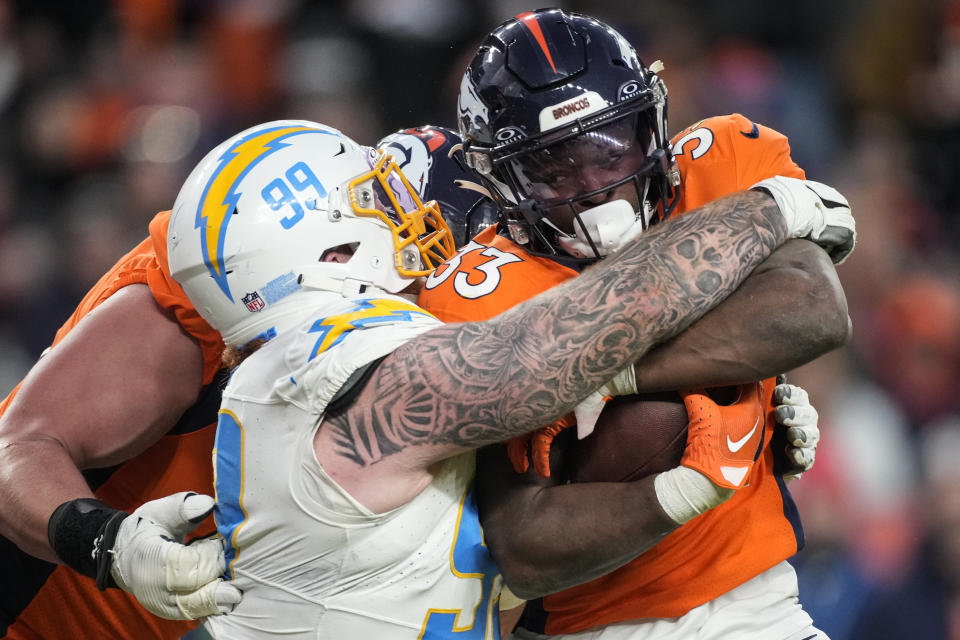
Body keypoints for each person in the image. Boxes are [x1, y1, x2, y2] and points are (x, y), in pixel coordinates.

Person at [151, 118, 848, 639]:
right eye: (371, 199)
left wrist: (752, 401)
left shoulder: (298, 374)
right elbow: (551, 349)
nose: (410, 214)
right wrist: (770, 210)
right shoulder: (340, 373)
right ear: (323, 243)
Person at [416, 8, 853, 639]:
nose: (595, 188)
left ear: (651, 123)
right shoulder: (479, 290)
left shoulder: (717, 162)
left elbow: (813, 310)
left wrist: (603, 374)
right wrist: (684, 486)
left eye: (609, 147)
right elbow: (523, 548)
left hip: (764, 608)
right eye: (553, 169)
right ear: (498, 177)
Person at [0, 123, 495, 639]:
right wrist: (113, 544)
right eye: (414, 232)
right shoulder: (214, 298)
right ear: (337, 241)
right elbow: (18, 448)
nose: (435, 268)